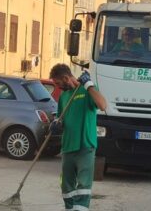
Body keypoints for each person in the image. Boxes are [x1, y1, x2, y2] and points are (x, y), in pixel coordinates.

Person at [49, 64, 107, 211]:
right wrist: (56, 124)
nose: (57, 87)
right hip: (68, 146)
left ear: (65, 78)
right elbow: (60, 117)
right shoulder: (64, 96)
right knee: (66, 187)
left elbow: (102, 105)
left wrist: (89, 85)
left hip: (85, 146)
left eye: (57, 83)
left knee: (83, 187)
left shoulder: (86, 91)